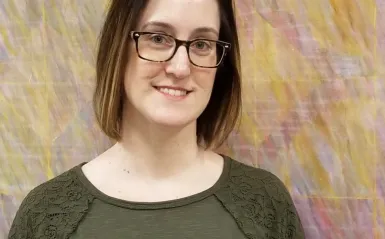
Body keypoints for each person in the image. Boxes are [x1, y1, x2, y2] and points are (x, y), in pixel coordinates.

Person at [8, 0, 305, 238]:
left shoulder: (265, 203)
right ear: (118, 48)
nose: (180, 67)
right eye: (158, 38)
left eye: (202, 44)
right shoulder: (46, 214)